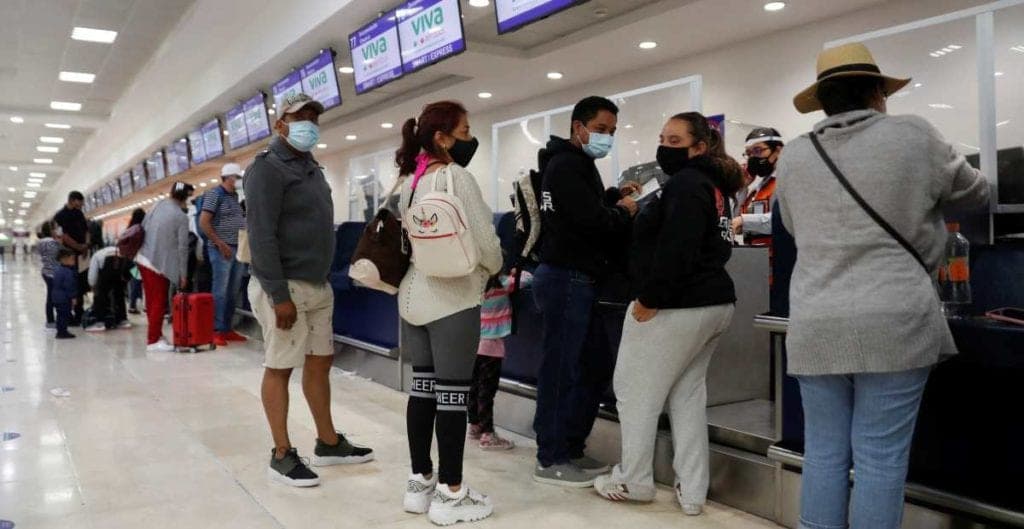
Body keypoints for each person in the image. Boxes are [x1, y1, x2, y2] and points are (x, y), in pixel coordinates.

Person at [776, 42, 990, 529]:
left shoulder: (794, 156)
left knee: (825, 453)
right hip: (895, 317)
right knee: (879, 460)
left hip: (816, 319)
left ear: (824, 101)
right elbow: (976, 193)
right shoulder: (914, 134)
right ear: (878, 93)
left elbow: (792, 225)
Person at [594, 112, 743, 515]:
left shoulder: (687, 185)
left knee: (634, 391)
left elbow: (678, 248)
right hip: (715, 303)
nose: (664, 146)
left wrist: (649, 298)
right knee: (687, 395)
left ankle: (634, 481)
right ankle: (693, 490)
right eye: (662, 137)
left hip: (677, 305)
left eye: (675, 140)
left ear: (699, 147)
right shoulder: (716, 186)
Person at [246, 92, 374, 489]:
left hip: (317, 286)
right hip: (284, 287)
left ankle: (329, 442)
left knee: (320, 362)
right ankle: (281, 454)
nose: (310, 123)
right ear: (280, 123)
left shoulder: (311, 167)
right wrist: (278, 294)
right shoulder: (266, 169)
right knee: (280, 366)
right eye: (301, 116)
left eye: (315, 117)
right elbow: (261, 235)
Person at [396, 100, 502, 525]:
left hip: (413, 297)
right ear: (442, 138)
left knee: (422, 391)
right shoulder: (457, 177)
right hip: (454, 298)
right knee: (453, 397)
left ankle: (420, 483)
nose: (469, 139)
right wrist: (495, 264)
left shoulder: (411, 180)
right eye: (464, 132)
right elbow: (486, 243)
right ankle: (452, 492)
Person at [532, 96, 639, 487]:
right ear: (578, 127)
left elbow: (579, 211)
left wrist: (611, 197)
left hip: (578, 278)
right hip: (567, 277)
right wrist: (623, 211)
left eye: (611, 131)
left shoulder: (576, 166)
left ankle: (571, 446)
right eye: (600, 129)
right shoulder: (566, 166)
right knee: (561, 368)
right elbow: (590, 223)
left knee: (590, 365)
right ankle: (551, 456)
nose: (606, 137)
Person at [467, 268, 532, 451]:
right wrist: (513, 273)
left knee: (474, 387)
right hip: (492, 349)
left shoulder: (474, 287)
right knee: (487, 391)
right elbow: (528, 278)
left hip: (473, 345)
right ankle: (488, 435)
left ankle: (474, 425)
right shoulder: (503, 285)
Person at [136, 181, 194, 352]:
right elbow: (183, 248)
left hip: (143, 257)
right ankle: (153, 340)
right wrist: (183, 274)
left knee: (152, 300)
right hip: (159, 264)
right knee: (158, 302)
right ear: (185, 197)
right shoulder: (181, 217)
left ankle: (156, 334)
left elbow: (144, 226)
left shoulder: (158, 205)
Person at [200, 162, 248, 346]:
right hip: (221, 250)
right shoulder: (214, 194)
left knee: (232, 291)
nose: (238, 181)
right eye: (237, 178)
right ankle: (215, 331)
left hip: (237, 249)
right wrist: (220, 244)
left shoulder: (234, 196)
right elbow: (204, 222)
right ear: (228, 177)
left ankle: (227, 328)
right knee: (220, 291)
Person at [732, 128, 783, 246]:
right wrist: (743, 187)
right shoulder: (757, 189)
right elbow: (735, 223)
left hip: (781, 257)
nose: (752, 157)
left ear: (778, 151)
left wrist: (744, 221)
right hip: (758, 259)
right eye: (749, 153)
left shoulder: (786, 181)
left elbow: (784, 220)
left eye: (758, 150)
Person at [53, 191, 90, 325]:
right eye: (80, 202)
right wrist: (79, 247)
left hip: (82, 256)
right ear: (73, 200)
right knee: (70, 285)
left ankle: (79, 314)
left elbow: (86, 230)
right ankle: (67, 315)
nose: (82, 205)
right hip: (69, 256)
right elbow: (63, 236)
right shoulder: (60, 216)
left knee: (80, 285)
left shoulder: (79, 213)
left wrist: (86, 245)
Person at [85, 244, 132, 332]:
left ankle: (100, 323)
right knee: (119, 294)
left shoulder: (97, 255)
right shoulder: (120, 250)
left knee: (101, 295)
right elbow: (133, 269)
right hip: (123, 266)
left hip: (107, 271)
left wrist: (93, 285)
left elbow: (92, 275)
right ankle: (123, 320)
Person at [36, 221, 62, 330]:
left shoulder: (40, 242)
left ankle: (51, 320)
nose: (57, 230)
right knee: (53, 297)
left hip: (46, 271)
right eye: (55, 228)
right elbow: (59, 255)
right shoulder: (51, 242)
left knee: (50, 296)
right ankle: (51, 321)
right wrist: (59, 241)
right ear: (51, 230)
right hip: (53, 272)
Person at [52, 249, 79, 339]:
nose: (74, 261)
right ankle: (63, 333)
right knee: (65, 315)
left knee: (60, 315)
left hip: (56, 297)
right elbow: (69, 286)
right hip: (64, 298)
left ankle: (60, 331)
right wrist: (73, 297)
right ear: (64, 259)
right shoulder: (68, 272)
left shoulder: (57, 269)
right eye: (72, 259)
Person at [126, 209, 146, 314]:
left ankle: (132, 304)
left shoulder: (129, 228)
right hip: (139, 259)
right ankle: (133, 305)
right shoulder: (140, 228)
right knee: (137, 282)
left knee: (133, 281)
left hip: (130, 259)